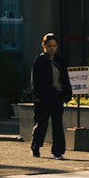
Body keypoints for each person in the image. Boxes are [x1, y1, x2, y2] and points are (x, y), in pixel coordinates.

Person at [25, 31, 74, 160]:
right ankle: (36, 146)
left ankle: (58, 151)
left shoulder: (60, 61)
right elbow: (35, 81)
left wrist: (68, 93)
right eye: (49, 46)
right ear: (44, 46)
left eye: (54, 46)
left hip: (57, 97)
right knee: (41, 124)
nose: (52, 48)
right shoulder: (39, 61)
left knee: (57, 124)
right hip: (43, 98)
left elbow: (65, 79)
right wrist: (37, 96)